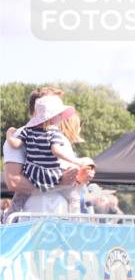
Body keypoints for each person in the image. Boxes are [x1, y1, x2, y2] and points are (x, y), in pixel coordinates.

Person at [2, 87, 78, 221]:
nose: (60, 115)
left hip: (60, 225)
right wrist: (59, 183)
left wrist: (81, 177)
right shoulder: (20, 134)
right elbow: (14, 182)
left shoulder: (61, 138)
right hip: (30, 227)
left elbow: (69, 178)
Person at [5, 95, 83, 192]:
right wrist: (75, 160)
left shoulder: (28, 131)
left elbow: (15, 144)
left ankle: (15, 206)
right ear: (52, 117)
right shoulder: (54, 133)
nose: (62, 118)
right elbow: (56, 151)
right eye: (59, 115)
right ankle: (74, 206)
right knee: (72, 192)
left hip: (32, 172)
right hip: (51, 174)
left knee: (22, 196)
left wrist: (8, 133)